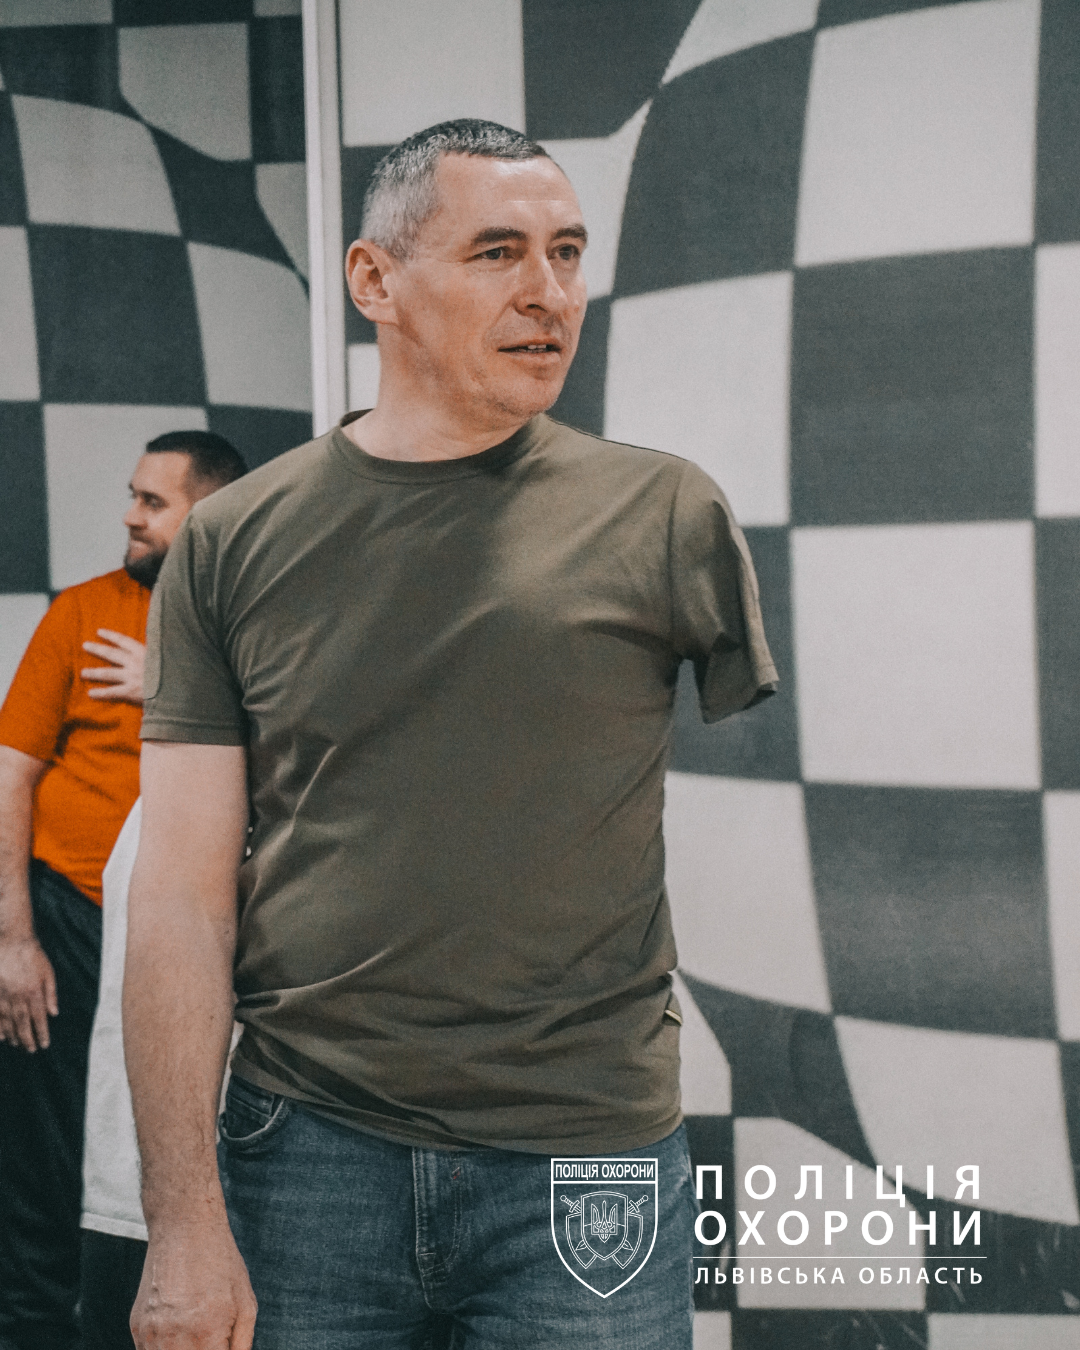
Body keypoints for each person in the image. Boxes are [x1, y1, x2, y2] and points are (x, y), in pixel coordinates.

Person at [126, 119, 778, 1350]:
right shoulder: (231, 543)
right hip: (306, 1145)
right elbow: (179, 899)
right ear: (375, 281)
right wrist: (180, 1222)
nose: (549, 292)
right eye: (497, 252)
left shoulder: (665, 513)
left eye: (567, 252)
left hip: (585, 1153)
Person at [0, 430, 247, 1350]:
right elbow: (10, 772)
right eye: (133, 496)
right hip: (67, 918)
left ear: (208, 514)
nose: (129, 517)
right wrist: (13, 941)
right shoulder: (83, 612)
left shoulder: (249, 620)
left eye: (153, 502)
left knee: (179, 1150)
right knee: (43, 1160)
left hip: (195, 931)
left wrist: (174, 682)